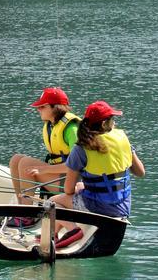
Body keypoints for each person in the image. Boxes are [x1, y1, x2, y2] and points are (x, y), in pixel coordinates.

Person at [48, 99, 145, 249]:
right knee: (81, 186)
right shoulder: (123, 139)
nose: (114, 123)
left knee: (51, 202)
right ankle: (54, 234)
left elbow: (68, 190)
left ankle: (73, 230)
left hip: (99, 207)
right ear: (104, 124)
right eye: (112, 119)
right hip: (123, 207)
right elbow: (140, 172)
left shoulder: (81, 148)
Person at [8, 86, 80, 227]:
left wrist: (43, 170)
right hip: (60, 176)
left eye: (42, 106)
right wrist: (44, 169)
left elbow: (75, 165)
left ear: (55, 107)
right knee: (16, 159)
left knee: (26, 164)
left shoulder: (71, 129)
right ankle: (22, 209)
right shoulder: (52, 125)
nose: (38, 109)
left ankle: (27, 216)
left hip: (73, 182)